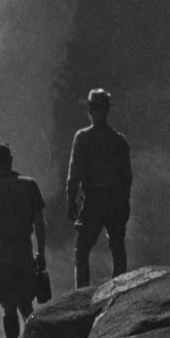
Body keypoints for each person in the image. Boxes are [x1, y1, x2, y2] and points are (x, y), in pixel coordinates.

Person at [0, 143, 47, 338]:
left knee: (8, 306)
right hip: (23, 252)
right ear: (11, 159)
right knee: (26, 305)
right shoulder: (29, 185)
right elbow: (39, 223)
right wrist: (41, 252)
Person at [66, 87, 133, 289]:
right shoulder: (119, 140)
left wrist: (70, 200)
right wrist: (123, 202)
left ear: (91, 111)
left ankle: (82, 295)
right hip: (115, 199)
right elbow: (127, 177)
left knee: (82, 250)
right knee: (117, 248)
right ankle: (119, 293)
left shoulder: (83, 137)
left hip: (94, 199)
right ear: (107, 111)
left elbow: (75, 172)